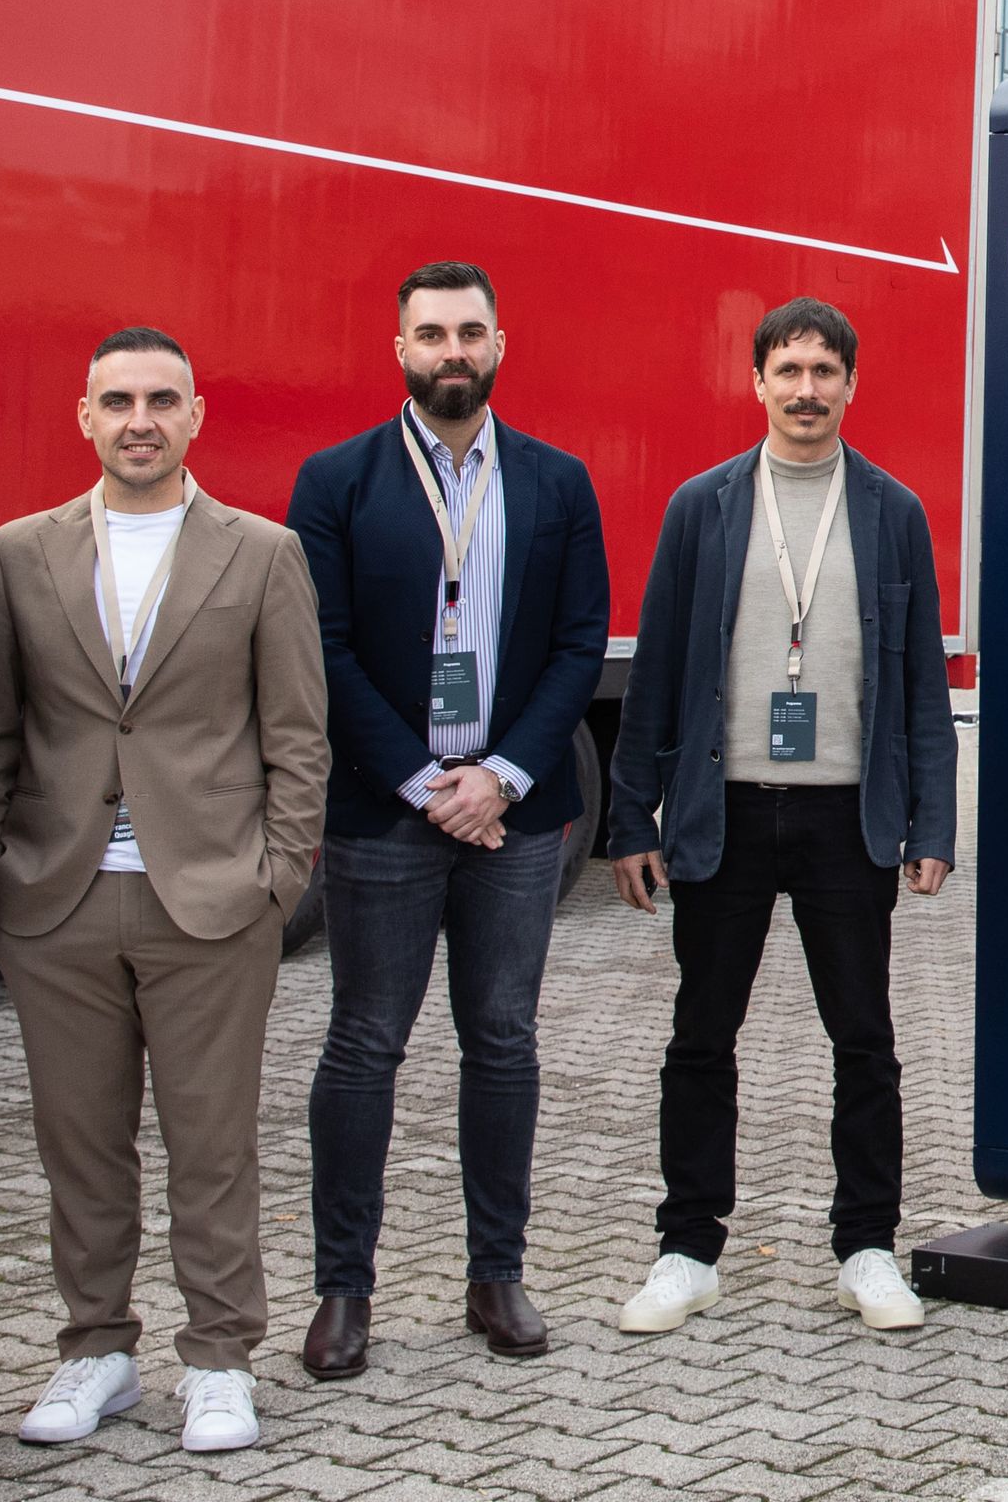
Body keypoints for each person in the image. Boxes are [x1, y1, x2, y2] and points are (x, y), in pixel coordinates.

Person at [0, 327, 327, 1457]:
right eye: (117, 400)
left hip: (212, 903)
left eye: (161, 399)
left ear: (195, 415)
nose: (139, 419)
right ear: (83, 417)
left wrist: (277, 877)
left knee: (211, 1144)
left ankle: (219, 1358)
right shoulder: (16, 554)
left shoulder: (261, 553)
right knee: (80, 1143)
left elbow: (297, 738)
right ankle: (96, 1352)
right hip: (56, 899)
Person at [606, 296, 955, 1335]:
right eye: (789, 370)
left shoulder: (892, 510)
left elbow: (919, 681)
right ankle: (687, 1250)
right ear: (755, 382)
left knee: (867, 1043)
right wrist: (630, 816)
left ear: (853, 385)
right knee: (701, 1038)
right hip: (727, 818)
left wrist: (931, 822)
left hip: (849, 820)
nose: (807, 390)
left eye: (825, 372)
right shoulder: (700, 507)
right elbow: (657, 672)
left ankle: (867, 1250)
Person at [287, 262, 609, 1379]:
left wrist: (504, 775)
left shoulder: (560, 483)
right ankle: (343, 1293)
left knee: (504, 1040)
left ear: (501, 343)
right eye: (431, 333)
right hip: (387, 814)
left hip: (515, 818)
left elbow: (580, 646)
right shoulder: (336, 483)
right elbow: (319, 648)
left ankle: (497, 1273)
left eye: (470, 330)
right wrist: (424, 781)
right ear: (401, 350)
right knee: (365, 1044)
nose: (451, 349)